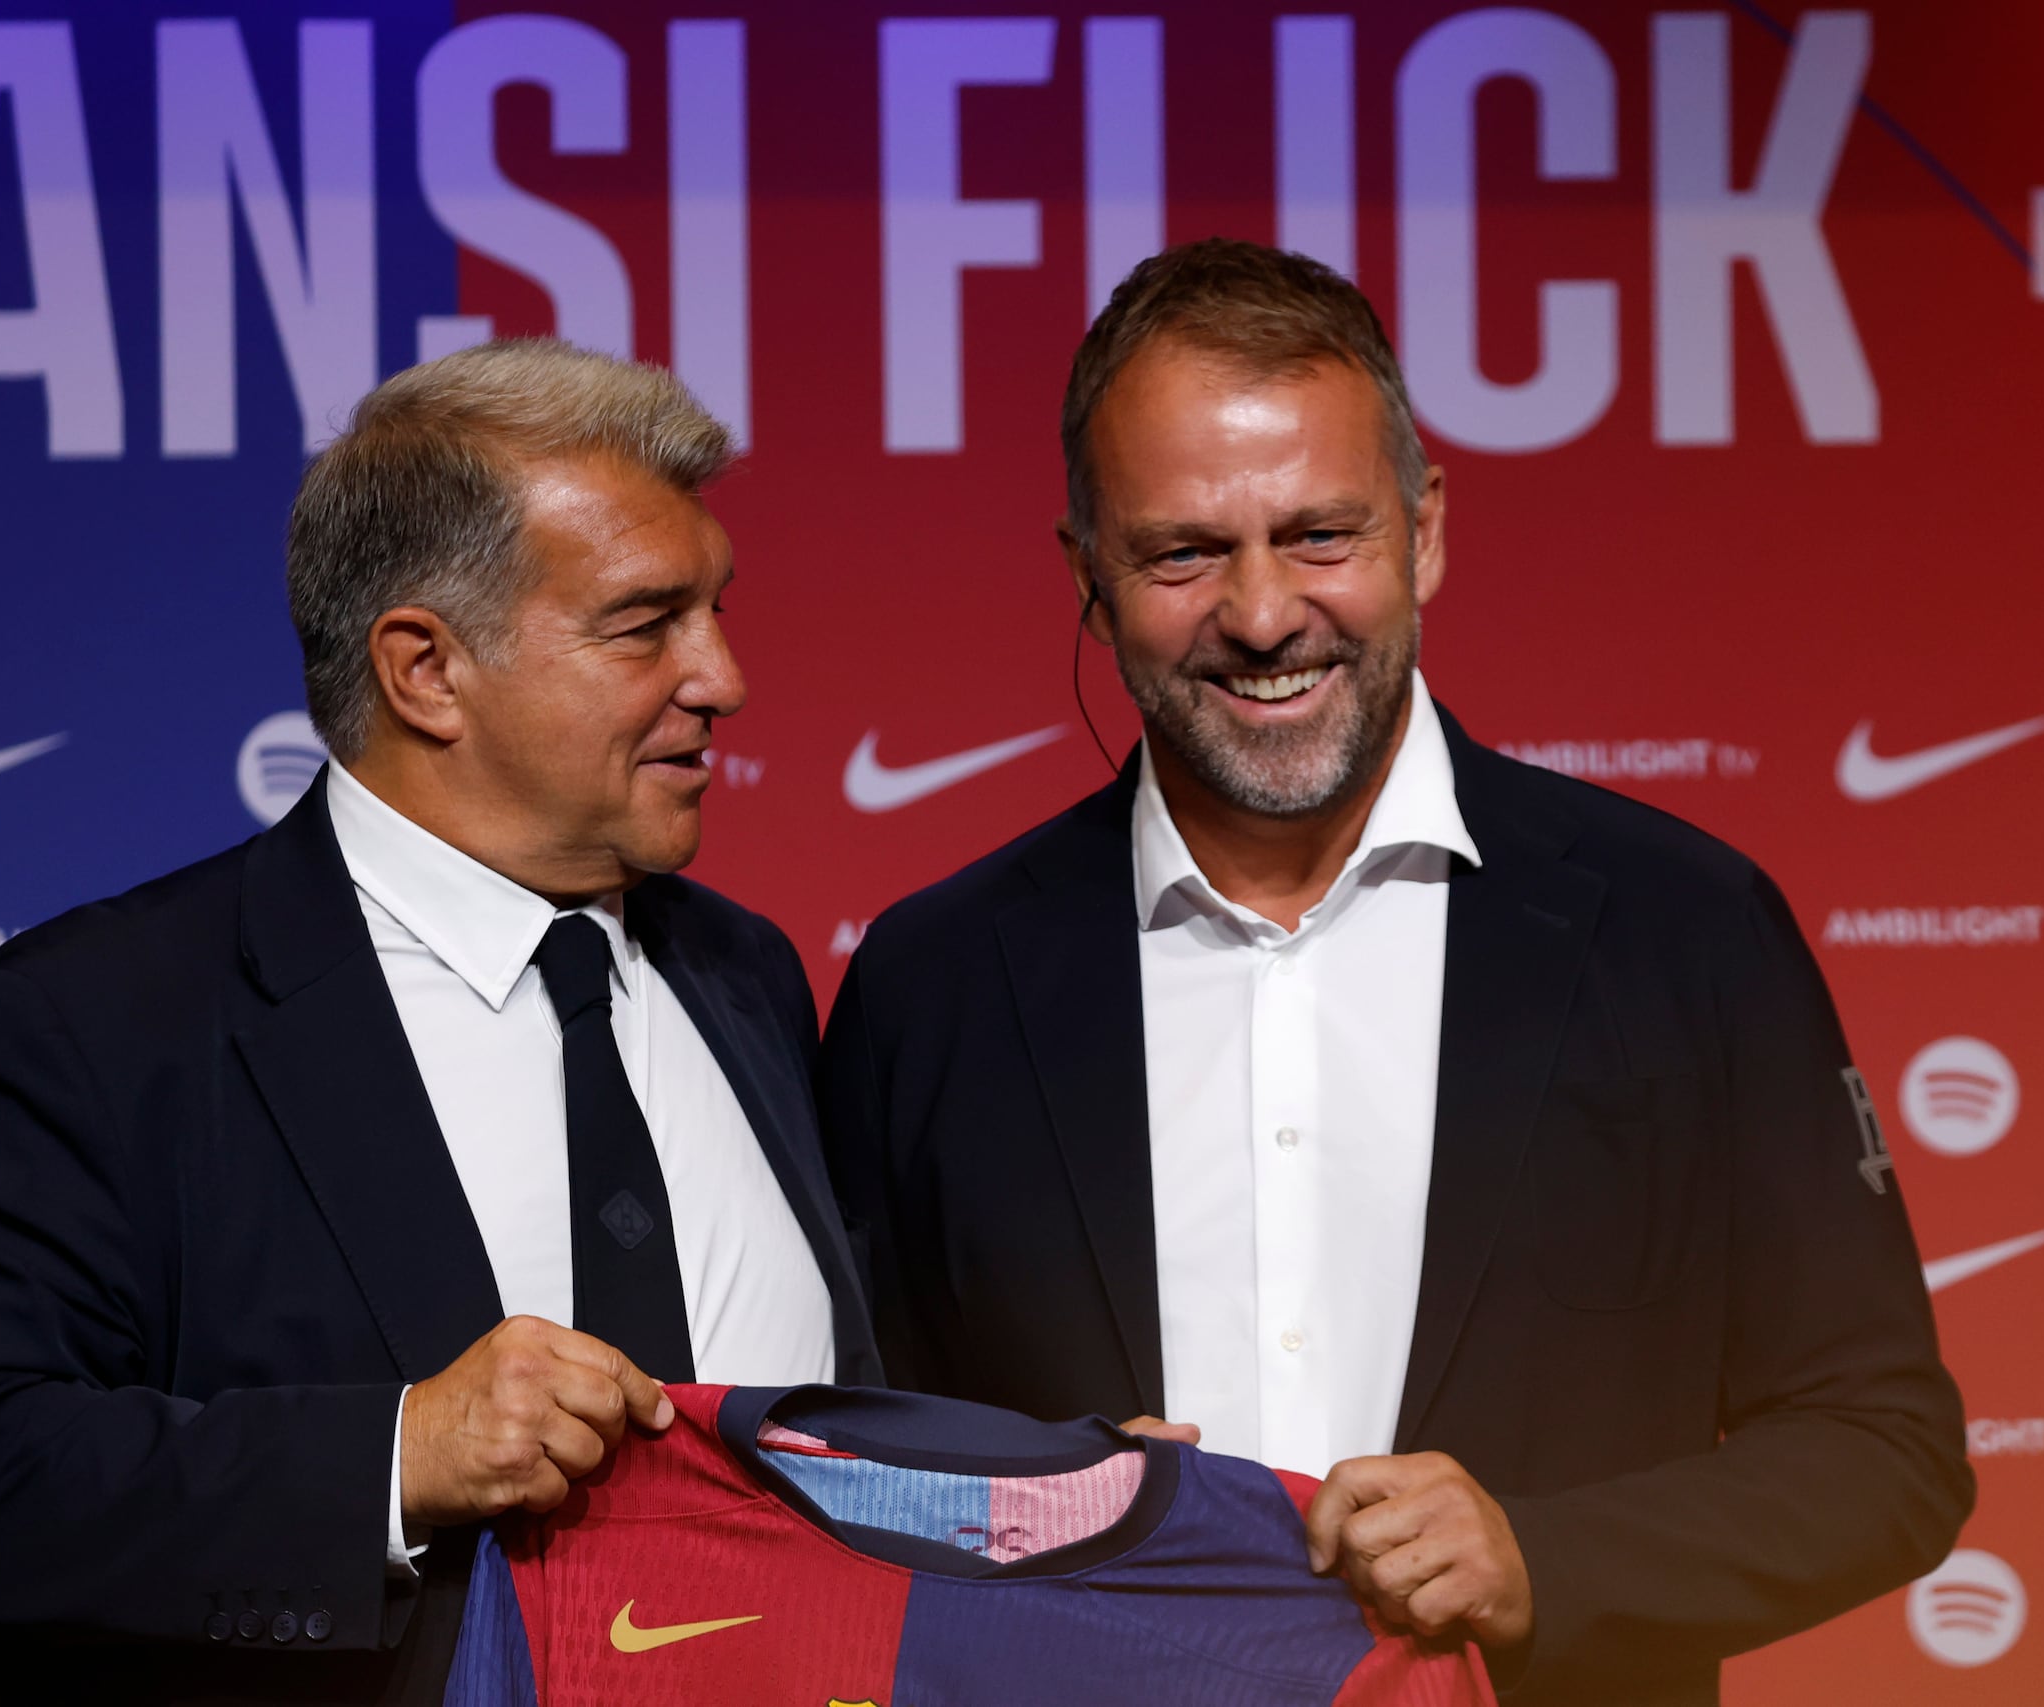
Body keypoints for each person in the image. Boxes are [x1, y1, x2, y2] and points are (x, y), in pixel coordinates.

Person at [816, 240, 1971, 1707]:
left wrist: (1542, 1560)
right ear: (1090, 580)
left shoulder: (1687, 929)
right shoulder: (938, 982)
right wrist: (1035, 1514)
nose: (1259, 614)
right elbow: (836, 1473)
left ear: (1423, 533)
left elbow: (1886, 1452)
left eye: (1320, 536)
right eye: (1182, 551)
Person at [0, 340, 878, 1706]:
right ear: (426, 671)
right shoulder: (98, 1022)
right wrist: (400, 1455)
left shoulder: (746, 975)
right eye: (647, 624)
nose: (724, 678)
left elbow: (824, 1450)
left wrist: (1048, 1510)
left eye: (715, 611)